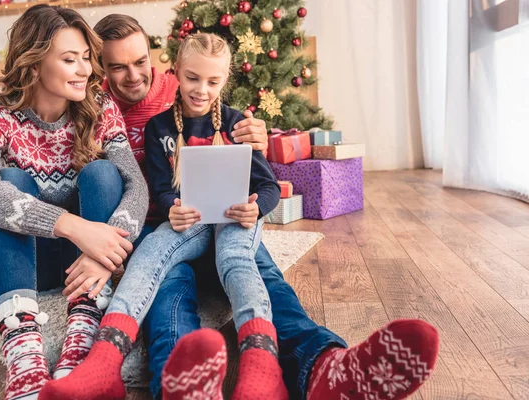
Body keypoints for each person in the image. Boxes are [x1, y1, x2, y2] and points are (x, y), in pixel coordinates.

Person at [55, 14, 440, 400]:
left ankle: (323, 366)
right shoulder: (91, 106)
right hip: (165, 226)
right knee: (169, 287)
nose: (134, 75)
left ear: (160, 64)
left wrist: (258, 142)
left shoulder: (194, 86)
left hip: (228, 222)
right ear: (100, 68)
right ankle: (180, 382)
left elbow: (255, 170)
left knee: (263, 273)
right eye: (118, 67)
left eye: (140, 62)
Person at [40, 32, 288, 400]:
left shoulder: (237, 124)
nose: (202, 89)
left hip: (235, 217)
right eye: (192, 78)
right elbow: (159, 187)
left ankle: (262, 368)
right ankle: (104, 360)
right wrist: (173, 206)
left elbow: (268, 186)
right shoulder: (156, 125)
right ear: (176, 72)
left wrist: (256, 208)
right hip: (187, 221)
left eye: (213, 81)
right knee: (151, 252)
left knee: (238, 258)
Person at [0, 5, 148, 400]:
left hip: (87, 264)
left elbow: (137, 186)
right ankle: (23, 352)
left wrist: (104, 252)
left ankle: (84, 326)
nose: (83, 69)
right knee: (8, 181)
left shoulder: (99, 105)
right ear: (34, 62)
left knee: (101, 173)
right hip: (26, 260)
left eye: (85, 58)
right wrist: (73, 226)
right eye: (68, 59)